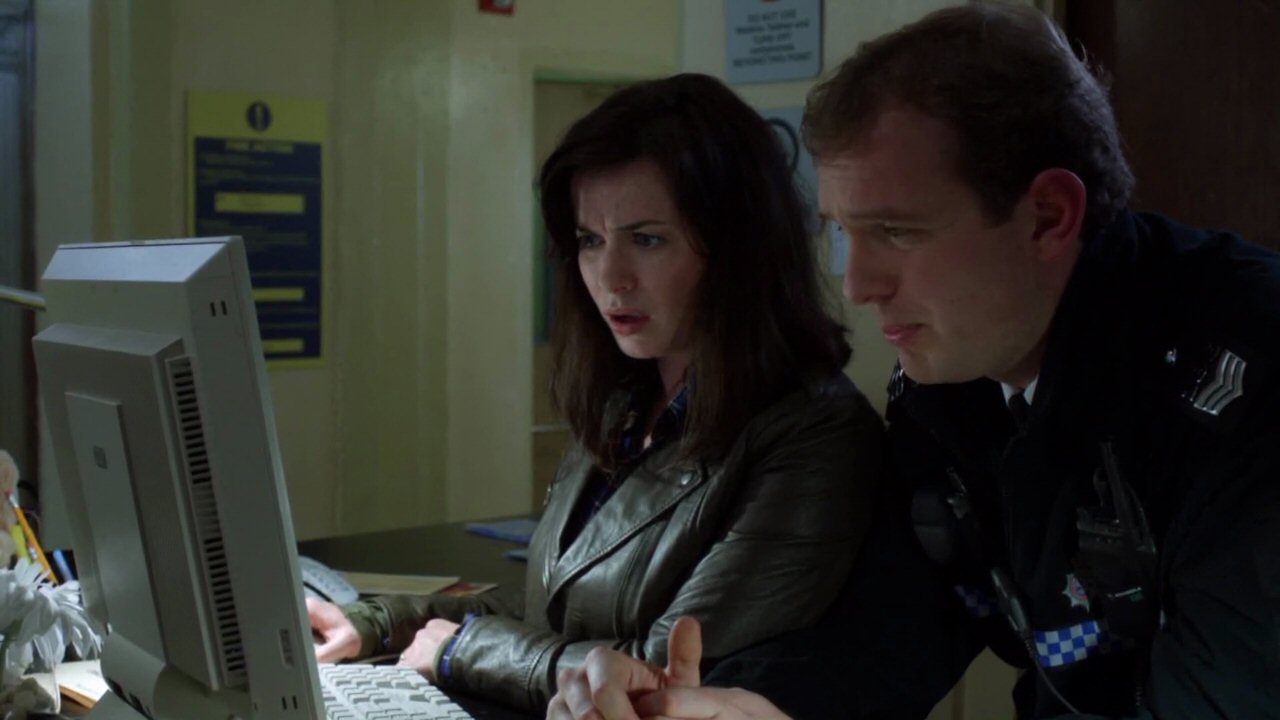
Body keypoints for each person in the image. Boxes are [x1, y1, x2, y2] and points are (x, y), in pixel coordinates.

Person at [547, 4, 1280, 719]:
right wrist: (747, 705)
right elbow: (895, 625)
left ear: (1049, 216)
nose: (858, 286)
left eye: (896, 232)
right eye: (844, 233)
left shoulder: (1247, 390)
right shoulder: (955, 387)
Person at [307, 72, 884, 715]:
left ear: (737, 249)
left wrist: (462, 650)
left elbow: (660, 678)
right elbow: (552, 614)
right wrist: (382, 624)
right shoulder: (626, 400)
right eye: (590, 241)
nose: (610, 277)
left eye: (647, 239)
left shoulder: (815, 435)